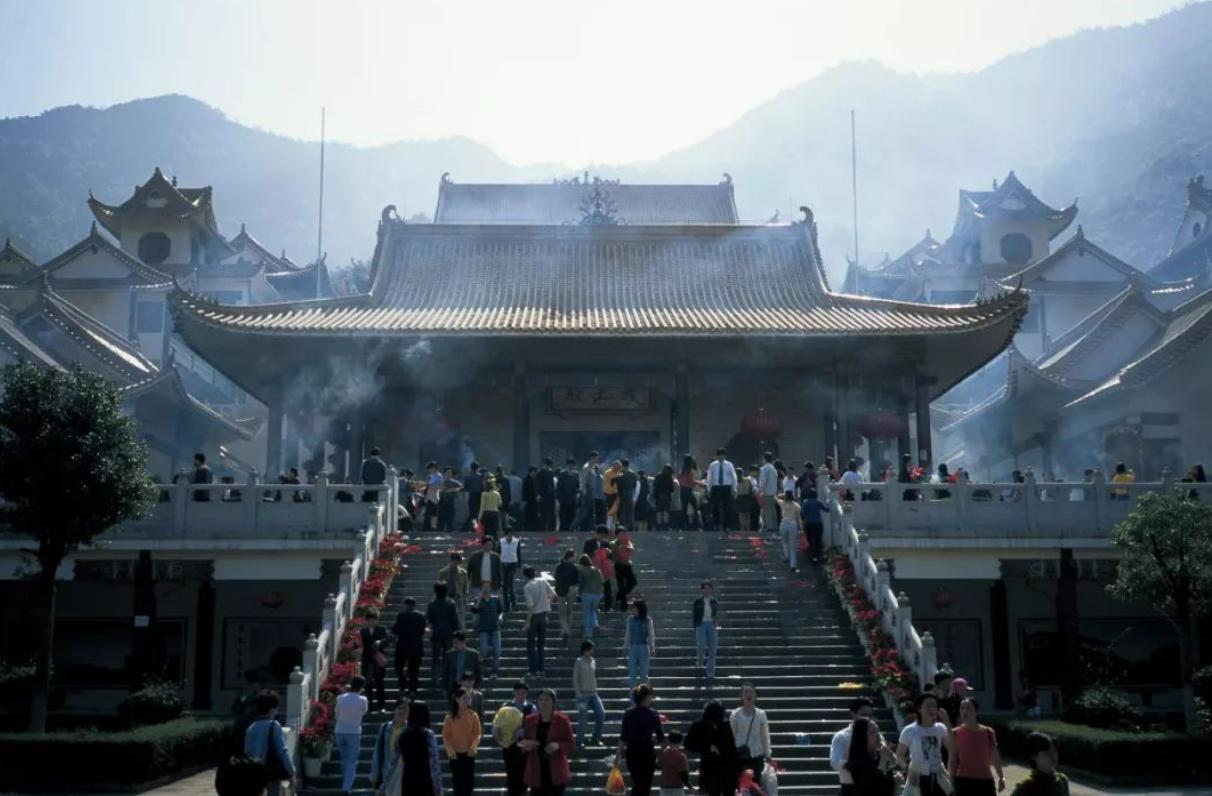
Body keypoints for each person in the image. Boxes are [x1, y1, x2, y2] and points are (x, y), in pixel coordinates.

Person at [896, 692, 956, 796]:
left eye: (934, 706)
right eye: (928, 706)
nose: (932, 709)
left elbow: (952, 748)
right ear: (919, 709)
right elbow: (899, 755)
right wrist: (907, 770)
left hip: (938, 775)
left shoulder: (940, 728)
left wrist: (947, 722)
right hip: (917, 775)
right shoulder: (910, 730)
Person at [520, 687, 575, 796]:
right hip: (536, 769)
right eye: (541, 700)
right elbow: (523, 744)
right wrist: (527, 745)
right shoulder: (529, 720)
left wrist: (558, 745)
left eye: (547, 700)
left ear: (554, 702)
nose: (543, 702)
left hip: (556, 769)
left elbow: (571, 744)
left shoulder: (562, 720)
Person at [241, 690, 295, 796]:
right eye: (276, 708)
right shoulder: (274, 725)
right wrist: (291, 771)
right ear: (271, 709)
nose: (277, 711)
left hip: (253, 773)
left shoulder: (251, 728)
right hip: (270, 774)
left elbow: (246, 752)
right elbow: (282, 751)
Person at [950, 698, 1005, 796]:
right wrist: (951, 780)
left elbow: (996, 757)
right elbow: (952, 759)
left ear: (976, 712)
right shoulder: (955, 733)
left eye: (968, 708)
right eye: (962, 708)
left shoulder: (988, 732)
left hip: (985, 781)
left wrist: (1001, 777)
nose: (964, 711)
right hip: (963, 781)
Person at [684, 700, 740, 796]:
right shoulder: (699, 724)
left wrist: (737, 771)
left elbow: (731, 747)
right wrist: (707, 747)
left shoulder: (725, 724)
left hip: (727, 768)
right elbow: (688, 743)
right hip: (710, 769)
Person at [618, 684, 665, 796]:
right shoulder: (653, 714)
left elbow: (623, 737)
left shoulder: (628, 713)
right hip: (647, 753)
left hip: (632, 753)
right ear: (646, 697)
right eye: (650, 696)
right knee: (645, 786)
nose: (652, 698)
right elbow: (661, 738)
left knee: (638, 783)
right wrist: (661, 756)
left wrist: (617, 755)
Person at [494, 682, 537, 796]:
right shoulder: (506, 706)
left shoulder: (531, 708)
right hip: (509, 746)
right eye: (517, 693)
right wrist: (499, 739)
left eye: (522, 693)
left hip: (524, 745)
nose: (520, 695)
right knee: (511, 773)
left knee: (523, 773)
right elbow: (497, 724)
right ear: (514, 693)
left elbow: (534, 726)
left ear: (526, 694)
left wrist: (523, 732)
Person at [442, 687, 482, 796]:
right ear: (457, 700)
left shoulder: (473, 715)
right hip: (455, 754)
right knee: (457, 782)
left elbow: (477, 733)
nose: (467, 701)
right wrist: (450, 751)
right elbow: (446, 736)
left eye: (468, 698)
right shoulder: (450, 717)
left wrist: (473, 747)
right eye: (464, 698)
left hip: (469, 753)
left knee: (469, 782)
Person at [830, 696, 874, 794]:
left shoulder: (875, 734)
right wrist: (855, 766)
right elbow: (835, 762)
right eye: (863, 714)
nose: (868, 718)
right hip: (850, 787)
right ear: (853, 714)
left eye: (870, 715)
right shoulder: (842, 736)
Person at [400, 701, 444, 796]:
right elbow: (434, 762)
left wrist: (383, 785)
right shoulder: (428, 735)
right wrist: (438, 786)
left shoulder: (403, 735)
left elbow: (392, 761)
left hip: (408, 779)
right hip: (425, 779)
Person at [845, 717, 898, 796]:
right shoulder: (858, 761)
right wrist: (883, 761)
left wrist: (896, 783)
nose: (878, 735)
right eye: (873, 732)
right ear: (862, 736)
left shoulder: (880, 756)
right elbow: (873, 788)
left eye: (878, 731)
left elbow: (887, 789)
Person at [334, 676, 369, 795]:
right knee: (352, 761)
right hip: (354, 732)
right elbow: (364, 712)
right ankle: (346, 787)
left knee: (344, 757)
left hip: (339, 730)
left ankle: (346, 781)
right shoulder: (363, 699)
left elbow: (336, 714)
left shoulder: (340, 698)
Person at [729, 683, 771, 781]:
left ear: (755, 695)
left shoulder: (761, 714)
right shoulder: (735, 714)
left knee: (756, 784)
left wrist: (768, 753)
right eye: (746, 692)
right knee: (742, 785)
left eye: (751, 692)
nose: (749, 694)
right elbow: (731, 735)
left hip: (757, 754)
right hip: (740, 754)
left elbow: (765, 735)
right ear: (742, 696)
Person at [1008, 732, 1069, 796]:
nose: (1053, 756)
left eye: (1054, 751)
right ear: (1034, 757)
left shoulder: (1062, 780)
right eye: (1047, 753)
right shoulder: (1026, 787)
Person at [370, 700, 409, 796]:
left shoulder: (411, 730)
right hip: (388, 771)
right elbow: (378, 752)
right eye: (399, 708)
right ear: (394, 710)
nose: (401, 712)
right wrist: (374, 775)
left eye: (404, 709)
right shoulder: (385, 728)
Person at [523, 566, 556, 677]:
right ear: (535, 573)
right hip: (544, 615)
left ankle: (533, 670)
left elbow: (531, 606)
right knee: (541, 645)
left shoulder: (527, 587)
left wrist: (527, 622)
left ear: (525, 576)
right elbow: (554, 595)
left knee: (531, 645)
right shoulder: (543, 581)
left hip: (534, 617)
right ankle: (541, 669)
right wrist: (547, 604)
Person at [426, 582, 459, 690]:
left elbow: (429, 619)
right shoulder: (451, 604)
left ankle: (435, 682)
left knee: (435, 659)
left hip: (436, 634)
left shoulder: (432, 604)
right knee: (447, 658)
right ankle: (447, 681)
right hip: (448, 634)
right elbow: (455, 621)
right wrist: (456, 631)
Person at [392, 596, 426, 699]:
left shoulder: (401, 616)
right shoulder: (421, 616)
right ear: (414, 605)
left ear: (406, 605)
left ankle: (403, 686)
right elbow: (422, 631)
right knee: (414, 670)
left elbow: (395, 630)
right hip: (416, 647)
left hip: (402, 647)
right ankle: (412, 690)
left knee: (399, 668)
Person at [573, 639, 606, 745]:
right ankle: (579, 740)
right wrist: (578, 693)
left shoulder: (593, 660)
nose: (593, 651)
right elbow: (575, 678)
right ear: (585, 650)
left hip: (593, 693)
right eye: (591, 649)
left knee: (601, 714)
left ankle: (595, 738)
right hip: (582, 694)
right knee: (583, 717)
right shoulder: (579, 661)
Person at [471, 581, 504, 679]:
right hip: (483, 628)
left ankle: (494, 671)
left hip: (495, 627)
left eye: (487, 587)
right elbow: (474, 610)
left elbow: (501, 611)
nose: (486, 589)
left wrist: (501, 617)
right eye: (484, 587)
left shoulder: (495, 599)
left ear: (490, 588)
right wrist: (479, 599)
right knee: (484, 650)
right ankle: (481, 668)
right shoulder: (478, 599)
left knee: (497, 650)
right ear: (481, 589)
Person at [623, 597, 657, 689]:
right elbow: (628, 634)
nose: (633, 609)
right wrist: (625, 647)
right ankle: (633, 701)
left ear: (640, 608)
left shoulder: (647, 620)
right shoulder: (630, 619)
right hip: (633, 648)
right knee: (632, 676)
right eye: (632, 608)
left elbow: (651, 634)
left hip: (643, 648)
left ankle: (645, 698)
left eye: (635, 607)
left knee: (643, 675)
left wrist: (652, 648)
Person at [360, 608, 390, 712]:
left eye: (374, 620)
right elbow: (359, 644)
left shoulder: (381, 629)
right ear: (367, 620)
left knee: (379, 683)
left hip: (378, 660)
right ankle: (370, 706)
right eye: (370, 620)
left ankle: (381, 706)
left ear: (376, 620)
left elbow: (388, 639)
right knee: (368, 684)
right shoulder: (363, 631)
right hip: (367, 660)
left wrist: (380, 642)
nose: (372, 622)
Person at [441, 631, 482, 698]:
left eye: (457, 642)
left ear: (463, 642)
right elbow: (445, 673)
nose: (454, 645)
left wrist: (477, 686)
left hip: (468, 685)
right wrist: (444, 688)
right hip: (454, 686)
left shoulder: (473, 654)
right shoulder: (449, 655)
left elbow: (478, 672)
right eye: (453, 643)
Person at [693, 581, 720, 681]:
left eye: (709, 588)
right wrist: (695, 626)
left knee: (712, 649)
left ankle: (710, 672)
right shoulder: (698, 601)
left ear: (711, 589)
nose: (707, 590)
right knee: (701, 645)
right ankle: (699, 661)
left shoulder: (714, 601)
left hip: (711, 625)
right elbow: (694, 615)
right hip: (701, 624)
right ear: (702, 589)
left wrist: (715, 623)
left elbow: (715, 614)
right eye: (705, 588)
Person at [705, 448, 737, 531]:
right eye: (719, 456)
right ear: (716, 456)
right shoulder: (712, 465)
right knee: (715, 507)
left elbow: (734, 477)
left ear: (725, 456)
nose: (720, 457)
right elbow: (709, 477)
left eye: (722, 456)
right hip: (716, 487)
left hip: (726, 487)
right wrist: (709, 489)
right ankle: (716, 524)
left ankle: (727, 526)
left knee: (727, 507)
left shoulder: (729, 465)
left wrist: (734, 488)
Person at [437, 552, 470, 629]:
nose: (456, 562)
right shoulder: (443, 572)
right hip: (447, 598)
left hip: (458, 597)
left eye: (458, 561)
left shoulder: (463, 572)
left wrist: (465, 597)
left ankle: (461, 633)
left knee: (460, 618)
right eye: (455, 560)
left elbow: (466, 586)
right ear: (451, 560)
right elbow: (439, 586)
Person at [554, 547, 581, 641]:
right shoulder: (574, 567)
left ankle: (565, 629)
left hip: (561, 590)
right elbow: (577, 580)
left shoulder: (559, 566)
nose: (575, 558)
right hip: (572, 589)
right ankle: (567, 629)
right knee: (570, 610)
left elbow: (556, 578)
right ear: (570, 557)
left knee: (562, 612)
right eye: (574, 556)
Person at [775, 489, 803, 571]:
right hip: (793, 524)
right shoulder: (796, 505)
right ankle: (793, 565)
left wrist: (781, 494)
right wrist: (801, 529)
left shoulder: (782, 503)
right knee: (793, 545)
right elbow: (799, 518)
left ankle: (787, 555)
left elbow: (775, 497)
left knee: (784, 541)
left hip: (784, 523)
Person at [577, 552, 605, 637]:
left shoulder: (582, 570)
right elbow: (602, 581)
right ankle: (595, 625)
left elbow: (580, 582)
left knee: (587, 613)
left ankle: (588, 633)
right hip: (597, 594)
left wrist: (579, 592)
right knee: (593, 611)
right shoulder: (597, 570)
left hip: (586, 593)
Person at [573, 451, 600, 532]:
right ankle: (573, 526)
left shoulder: (593, 467)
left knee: (591, 511)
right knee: (583, 511)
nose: (597, 459)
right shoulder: (586, 467)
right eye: (596, 458)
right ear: (592, 458)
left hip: (592, 491)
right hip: (587, 491)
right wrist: (583, 491)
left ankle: (590, 527)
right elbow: (583, 480)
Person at [657, 730, 691, 796]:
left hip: (664, 787)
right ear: (681, 742)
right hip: (677, 787)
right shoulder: (682, 757)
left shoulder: (663, 754)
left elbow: (658, 767)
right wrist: (690, 786)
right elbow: (683, 774)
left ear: (668, 741)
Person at [800, 489, 828, 564]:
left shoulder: (805, 502)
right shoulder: (818, 502)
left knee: (810, 539)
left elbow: (802, 513)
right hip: (817, 523)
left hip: (808, 524)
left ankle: (811, 554)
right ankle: (817, 555)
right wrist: (828, 504)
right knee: (818, 540)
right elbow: (827, 509)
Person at [613, 527, 637, 610]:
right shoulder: (614, 543)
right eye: (620, 534)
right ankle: (623, 605)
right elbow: (614, 555)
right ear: (617, 535)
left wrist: (626, 546)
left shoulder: (627, 541)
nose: (622, 536)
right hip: (619, 566)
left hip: (627, 566)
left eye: (624, 534)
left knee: (633, 583)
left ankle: (618, 596)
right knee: (621, 586)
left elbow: (631, 550)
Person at [500, 528, 523, 612]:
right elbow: (498, 552)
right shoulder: (501, 541)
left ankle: (513, 604)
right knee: (505, 586)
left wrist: (519, 564)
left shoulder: (516, 541)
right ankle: (507, 605)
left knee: (509, 582)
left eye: (511, 534)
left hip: (513, 563)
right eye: (508, 534)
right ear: (506, 534)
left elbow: (518, 553)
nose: (510, 536)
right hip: (504, 563)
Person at [758, 452, 779, 532]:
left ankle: (769, 526)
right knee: (772, 510)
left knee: (767, 510)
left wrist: (760, 490)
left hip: (766, 492)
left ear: (765, 459)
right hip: (773, 492)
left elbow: (763, 480)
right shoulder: (773, 469)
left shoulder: (764, 468)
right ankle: (774, 526)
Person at [678, 456, 701, 530]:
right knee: (695, 507)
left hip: (682, 490)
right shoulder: (689, 470)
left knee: (684, 509)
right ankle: (695, 525)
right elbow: (691, 481)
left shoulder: (682, 470)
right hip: (688, 490)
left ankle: (683, 525)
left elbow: (680, 480)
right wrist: (701, 483)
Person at [557, 458, 580, 531]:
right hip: (564, 499)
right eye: (569, 465)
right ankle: (563, 529)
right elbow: (559, 487)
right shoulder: (562, 473)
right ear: (567, 465)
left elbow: (578, 485)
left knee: (572, 515)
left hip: (572, 499)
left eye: (572, 465)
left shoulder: (576, 474)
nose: (571, 466)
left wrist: (577, 493)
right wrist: (559, 498)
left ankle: (571, 529)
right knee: (563, 515)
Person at [438, 466, 463, 533]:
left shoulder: (454, 482)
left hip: (450, 501)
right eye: (448, 472)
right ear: (444, 473)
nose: (449, 474)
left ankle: (450, 532)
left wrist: (451, 490)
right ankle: (439, 532)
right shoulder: (441, 480)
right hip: (441, 501)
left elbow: (461, 487)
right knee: (441, 518)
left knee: (450, 518)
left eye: (450, 472)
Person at [617, 458, 639, 530]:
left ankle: (623, 526)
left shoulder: (620, 474)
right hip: (630, 493)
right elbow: (634, 484)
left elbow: (618, 485)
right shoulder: (632, 473)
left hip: (622, 493)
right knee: (630, 511)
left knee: (623, 510)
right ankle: (631, 527)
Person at [653, 464, 676, 531]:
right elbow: (672, 489)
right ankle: (666, 526)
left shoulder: (658, 476)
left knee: (659, 511)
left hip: (658, 496)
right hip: (666, 496)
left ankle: (659, 526)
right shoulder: (669, 478)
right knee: (666, 511)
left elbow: (655, 485)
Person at [537, 458, 557, 531]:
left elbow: (552, 484)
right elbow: (538, 485)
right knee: (543, 513)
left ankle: (551, 528)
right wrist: (538, 494)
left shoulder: (551, 473)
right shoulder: (540, 473)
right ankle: (542, 528)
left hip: (550, 495)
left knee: (551, 512)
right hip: (543, 495)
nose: (548, 466)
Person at [464, 461, 485, 530]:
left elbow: (466, 488)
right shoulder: (480, 477)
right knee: (478, 513)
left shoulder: (467, 477)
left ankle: (469, 527)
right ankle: (476, 527)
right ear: (477, 468)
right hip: (479, 496)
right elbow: (482, 487)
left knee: (472, 513)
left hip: (471, 495)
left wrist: (466, 498)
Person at [735, 465, 756, 533]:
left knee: (743, 515)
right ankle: (746, 530)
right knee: (746, 515)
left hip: (741, 498)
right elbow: (751, 489)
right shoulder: (746, 480)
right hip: (745, 498)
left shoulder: (736, 481)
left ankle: (744, 529)